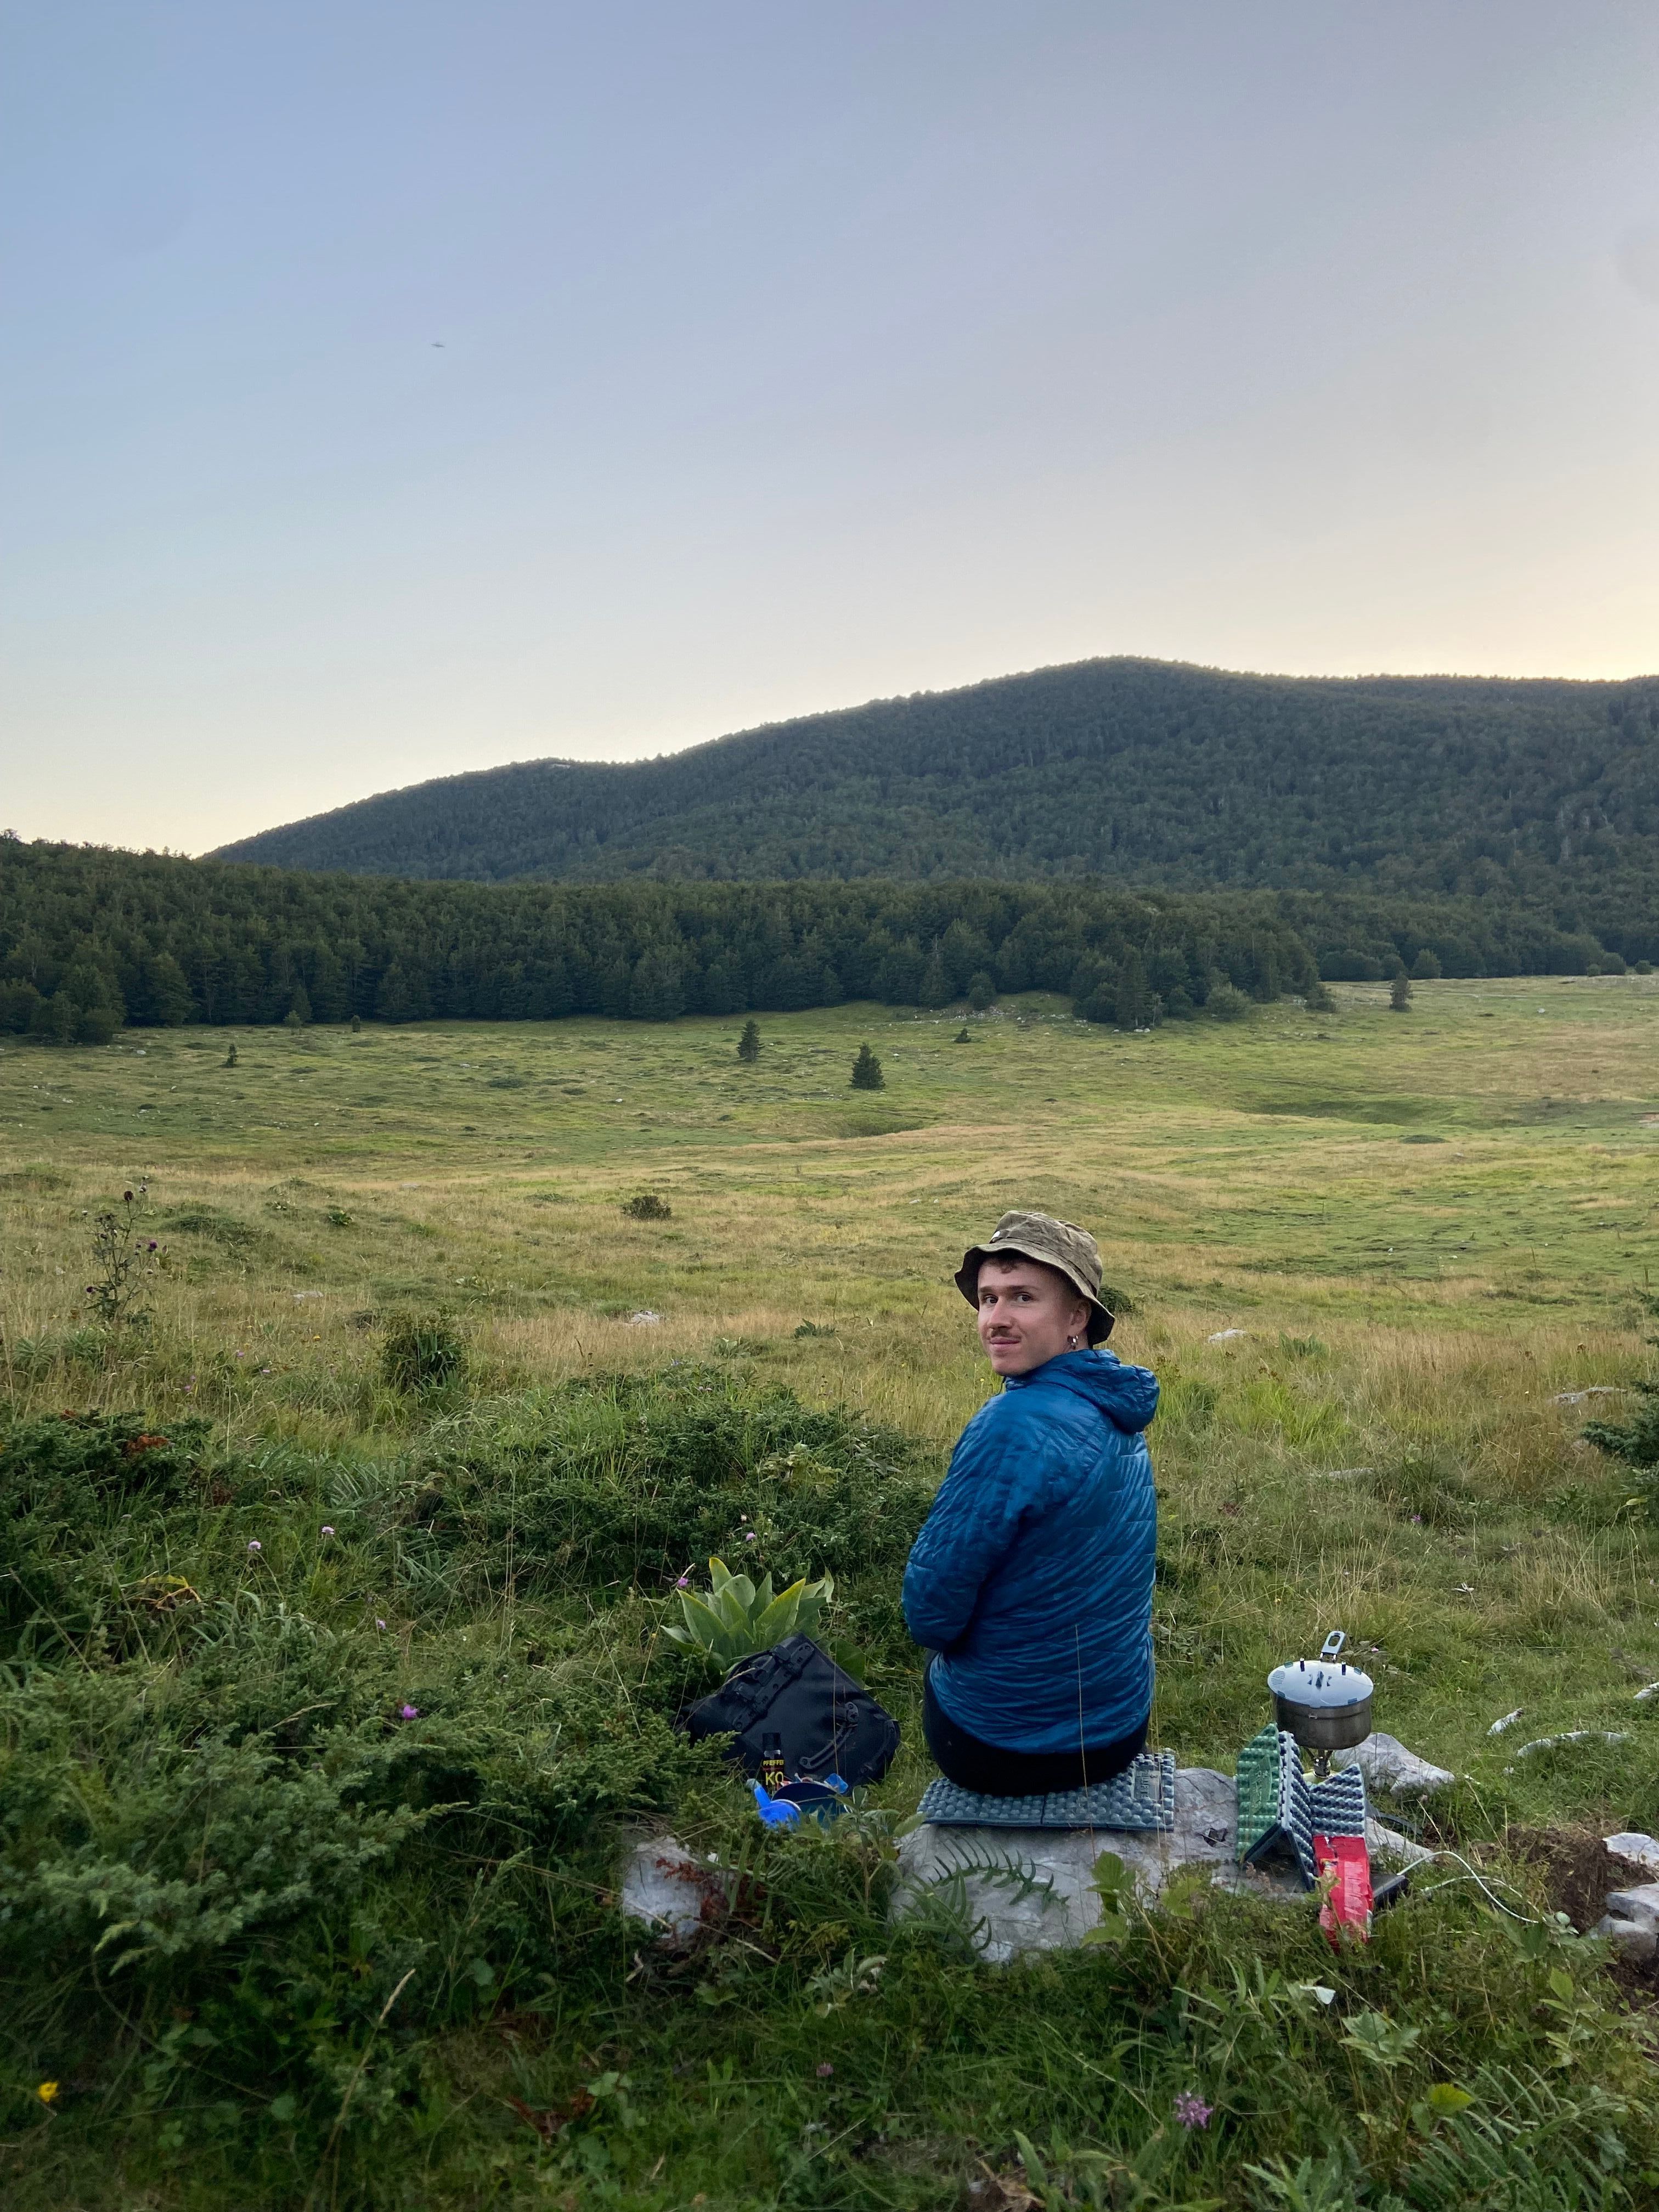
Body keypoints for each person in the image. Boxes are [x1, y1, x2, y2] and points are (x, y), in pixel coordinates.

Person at [901, 1210, 1159, 1796]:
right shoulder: (1115, 1403)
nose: (996, 1319)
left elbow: (930, 1614)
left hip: (1008, 1748)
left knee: (941, 1673)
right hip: (1119, 1729)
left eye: (1022, 1297)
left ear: (1077, 1316)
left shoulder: (1013, 1426)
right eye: (988, 1299)